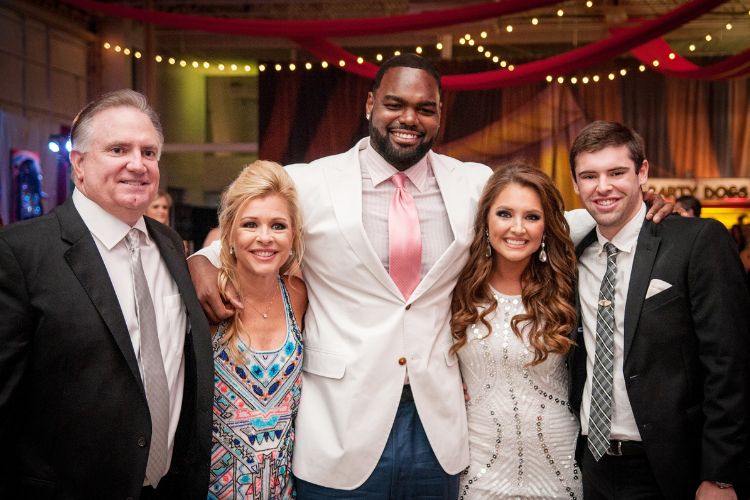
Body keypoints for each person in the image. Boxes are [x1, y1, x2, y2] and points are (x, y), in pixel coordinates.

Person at [189, 55, 672, 497]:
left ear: (440, 114)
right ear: (370, 104)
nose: (409, 119)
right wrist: (203, 260)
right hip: (339, 421)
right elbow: (253, 227)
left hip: (439, 421)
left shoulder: (473, 182)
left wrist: (635, 210)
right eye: (395, 104)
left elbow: (540, 218)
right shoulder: (312, 181)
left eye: (425, 108)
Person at [0, 89, 213, 498]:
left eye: (149, 152)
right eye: (119, 149)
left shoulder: (169, 244)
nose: (138, 164)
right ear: (78, 164)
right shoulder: (21, 254)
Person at [567, 121, 750, 500]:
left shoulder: (696, 242)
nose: (603, 186)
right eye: (589, 175)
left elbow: (731, 363)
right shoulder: (571, 253)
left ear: (643, 173)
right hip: (590, 464)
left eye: (617, 172)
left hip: (673, 467)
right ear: (575, 183)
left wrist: (720, 475)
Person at [451, 164, 582, 499]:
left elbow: (607, 218)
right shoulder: (455, 285)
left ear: (546, 225)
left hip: (558, 464)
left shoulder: (568, 285)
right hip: (478, 467)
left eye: (532, 217)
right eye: (505, 213)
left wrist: (651, 202)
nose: (517, 228)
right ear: (486, 221)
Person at [208, 160, 307, 499]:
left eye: (278, 226)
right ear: (230, 232)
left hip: (283, 490)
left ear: (293, 235)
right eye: (250, 224)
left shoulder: (297, 295)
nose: (265, 238)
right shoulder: (211, 301)